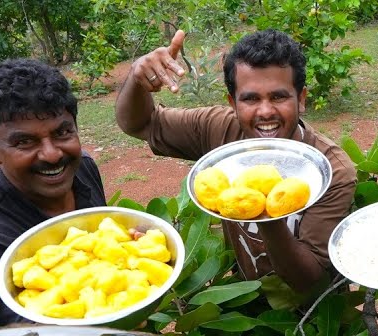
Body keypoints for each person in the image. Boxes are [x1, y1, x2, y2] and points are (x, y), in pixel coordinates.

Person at [116, 29, 357, 298]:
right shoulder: (219, 129)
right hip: (242, 298)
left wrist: (267, 216)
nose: (265, 111)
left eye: (278, 97)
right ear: (233, 102)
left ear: (301, 99)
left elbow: (311, 283)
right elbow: (139, 124)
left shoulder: (332, 170)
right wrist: (137, 78)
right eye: (250, 99)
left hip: (315, 314)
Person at [0, 59, 107, 326]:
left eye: (63, 132)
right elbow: (41, 335)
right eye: (24, 142)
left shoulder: (82, 168)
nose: (52, 155)